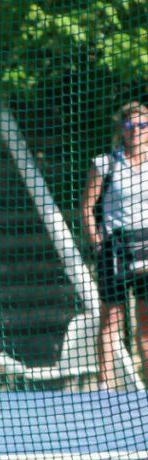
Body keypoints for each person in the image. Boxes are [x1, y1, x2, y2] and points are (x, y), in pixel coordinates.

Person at [81, 101, 148, 388]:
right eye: (130, 125)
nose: (136, 131)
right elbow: (87, 206)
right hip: (116, 250)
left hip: (146, 248)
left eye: (142, 125)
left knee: (145, 323)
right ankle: (105, 386)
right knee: (112, 320)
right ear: (121, 130)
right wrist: (99, 244)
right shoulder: (105, 163)